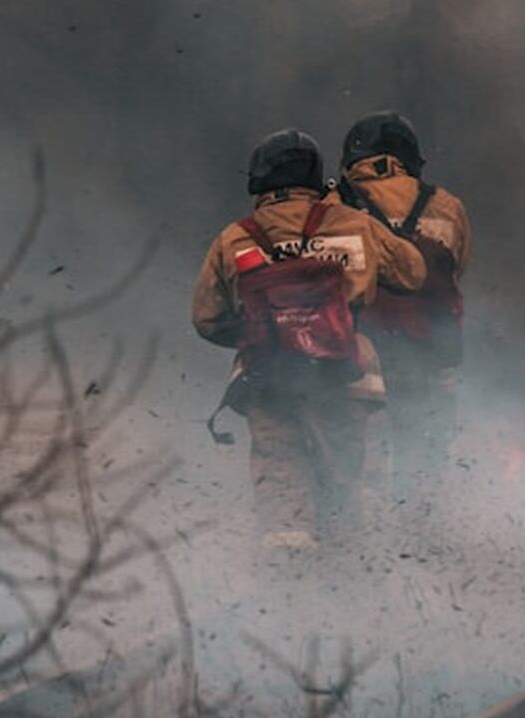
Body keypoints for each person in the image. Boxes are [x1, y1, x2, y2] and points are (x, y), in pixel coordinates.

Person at [191, 128, 425, 551]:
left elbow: (206, 318)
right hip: (348, 376)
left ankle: (291, 593)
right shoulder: (355, 224)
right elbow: (413, 273)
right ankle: (359, 581)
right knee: (351, 482)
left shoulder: (234, 238)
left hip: (268, 380)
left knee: (282, 484)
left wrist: (267, 331)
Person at [336, 111, 472, 508]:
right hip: (428, 351)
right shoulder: (447, 207)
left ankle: (362, 552)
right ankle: (422, 552)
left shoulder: (333, 205)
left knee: (362, 462)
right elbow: (457, 266)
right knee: (424, 462)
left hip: (357, 354)